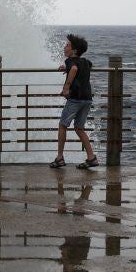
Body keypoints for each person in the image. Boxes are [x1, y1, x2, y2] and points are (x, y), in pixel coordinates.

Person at [49, 34, 97, 170]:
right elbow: (84, 67)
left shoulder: (70, 61)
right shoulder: (86, 62)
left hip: (75, 98)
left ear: (74, 50)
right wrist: (68, 69)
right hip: (87, 99)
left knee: (62, 125)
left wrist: (66, 87)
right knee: (79, 128)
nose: (65, 47)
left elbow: (75, 68)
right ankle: (91, 157)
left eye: (68, 45)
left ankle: (59, 158)